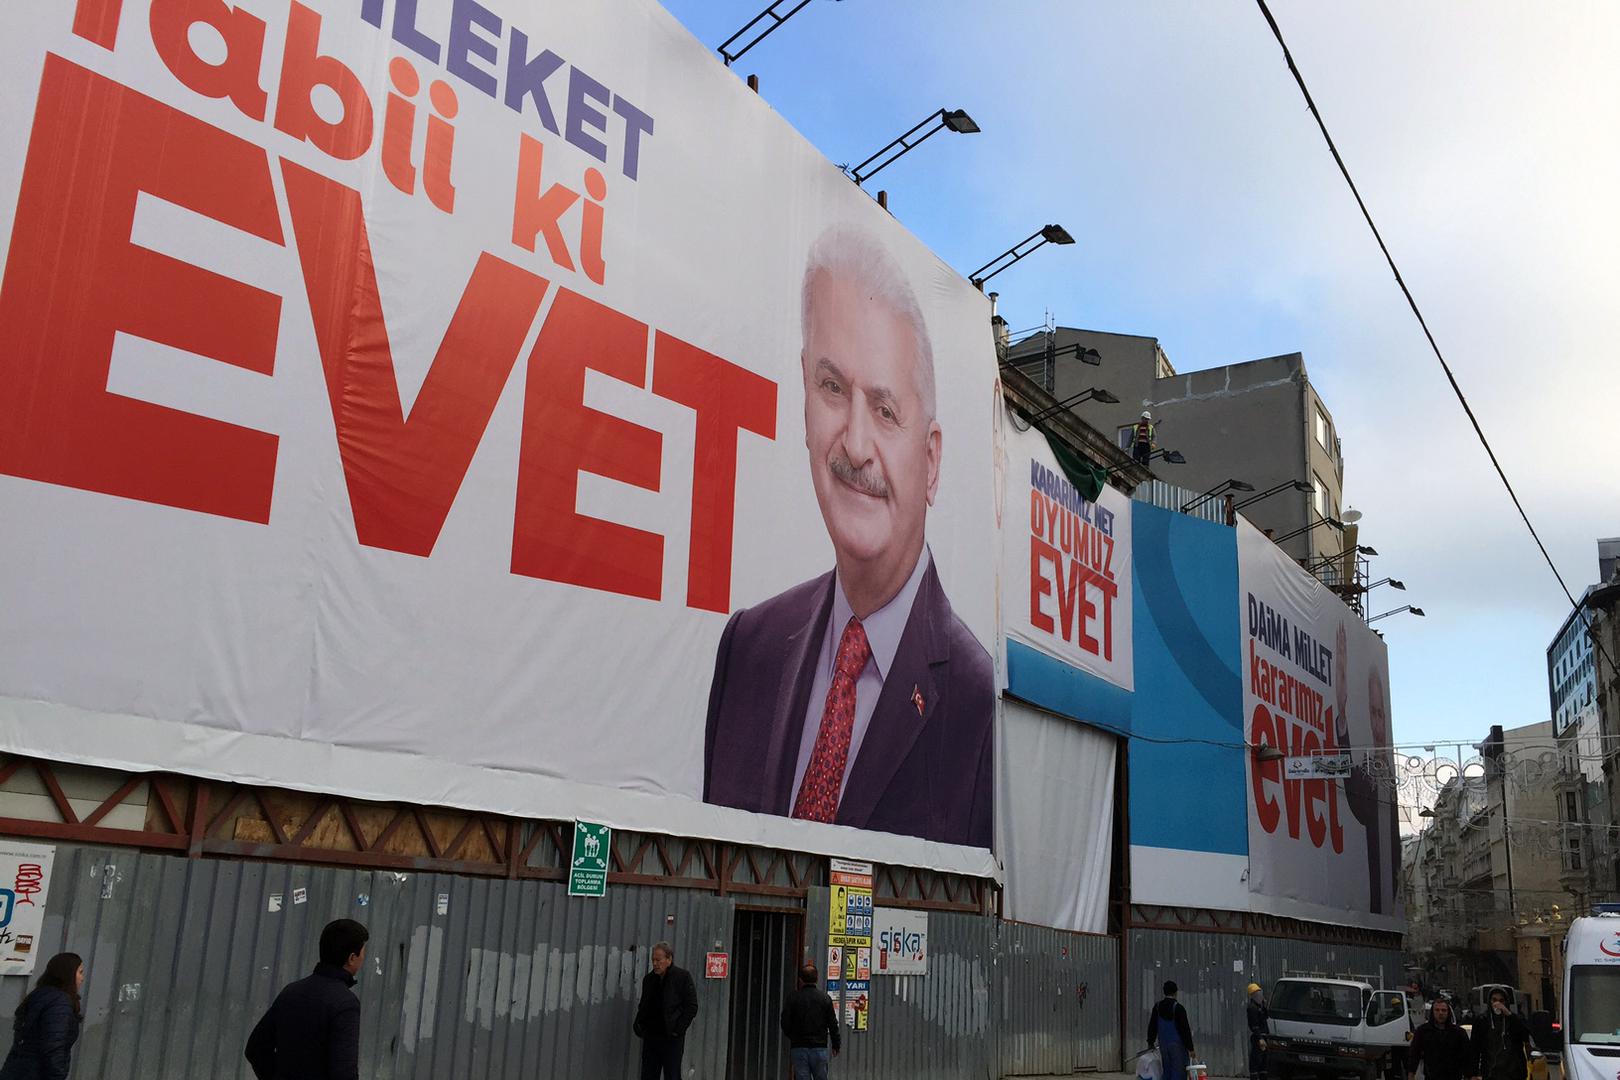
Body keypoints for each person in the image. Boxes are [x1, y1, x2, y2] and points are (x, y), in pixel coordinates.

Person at [703, 226, 995, 848]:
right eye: (832, 389)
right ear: (804, 399)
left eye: (886, 411)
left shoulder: (978, 700)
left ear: (933, 460)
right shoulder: (747, 651)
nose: (856, 445)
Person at [244, 918, 368, 1080]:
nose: (363, 959)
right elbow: (344, 1072)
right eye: (363, 953)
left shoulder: (291, 992)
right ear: (352, 958)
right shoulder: (345, 1004)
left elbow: (256, 1048)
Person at [0, 952, 83, 1080]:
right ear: (67, 974)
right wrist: (58, 1075)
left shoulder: (39, 995)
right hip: (37, 1073)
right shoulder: (60, 1002)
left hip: (17, 1070)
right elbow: (53, 1046)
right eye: (80, 972)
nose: (82, 978)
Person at [634, 942, 699, 1080]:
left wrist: (678, 1030)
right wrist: (639, 1023)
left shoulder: (682, 977)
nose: (655, 963)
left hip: (671, 1038)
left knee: (672, 1074)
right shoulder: (649, 979)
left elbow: (692, 1006)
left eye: (659, 960)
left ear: (669, 959)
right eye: (653, 960)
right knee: (648, 1074)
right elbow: (644, 1005)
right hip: (651, 1037)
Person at [781, 961, 841, 1080]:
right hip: (819, 1048)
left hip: (799, 1047)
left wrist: (793, 1036)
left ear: (800, 980)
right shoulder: (825, 999)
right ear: (816, 979)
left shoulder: (793, 998)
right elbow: (833, 1024)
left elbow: (785, 1022)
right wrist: (836, 1044)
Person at [1470, 988, 1532, 1080]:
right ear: (1489, 1002)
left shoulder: (1513, 1020)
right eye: (1494, 1000)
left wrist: (1508, 1014)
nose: (1497, 1003)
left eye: (1501, 1000)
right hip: (1491, 1073)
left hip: (1513, 1073)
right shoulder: (1482, 1021)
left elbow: (1525, 1036)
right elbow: (1474, 1048)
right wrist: (1473, 1073)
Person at [1407, 997, 1475, 1080]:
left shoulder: (1459, 1033)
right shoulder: (1423, 1031)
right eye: (1437, 1010)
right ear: (1432, 1012)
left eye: (1443, 1010)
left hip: (1454, 1076)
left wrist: (1469, 1075)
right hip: (1431, 1076)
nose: (1440, 1013)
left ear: (1448, 1012)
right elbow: (1414, 1053)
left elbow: (1467, 1056)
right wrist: (1411, 1073)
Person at [1147, 980, 1196, 1080]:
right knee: (1179, 1071)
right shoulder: (1178, 1008)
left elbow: (1152, 1026)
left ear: (1164, 992)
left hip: (1163, 1044)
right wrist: (1190, 1048)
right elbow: (1185, 1030)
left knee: (1167, 1069)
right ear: (1175, 992)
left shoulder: (1157, 1007)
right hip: (1177, 1045)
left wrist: (1150, 1042)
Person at [1246, 983, 1270, 1080]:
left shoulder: (1261, 1007)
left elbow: (1266, 1017)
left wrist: (1264, 1006)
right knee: (1255, 1060)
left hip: (1265, 1036)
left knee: (1264, 1062)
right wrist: (1260, 1038)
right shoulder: (1252, 1008)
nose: (1259, 996)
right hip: (1258, 1038)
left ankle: (1263, 1076)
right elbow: (1254, 1025)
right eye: (1257, 994)